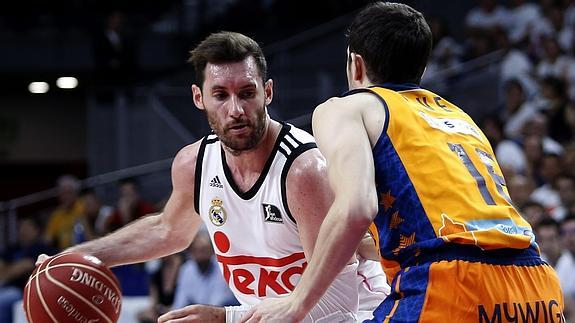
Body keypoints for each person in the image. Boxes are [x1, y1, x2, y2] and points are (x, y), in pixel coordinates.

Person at [242, 2, 565, 322]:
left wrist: (297, 301)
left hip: (454, 284)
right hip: (536, 285)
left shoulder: (348, 107)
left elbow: (356, 208)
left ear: (355, 64)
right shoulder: (457, 116)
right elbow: (445, 225)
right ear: (421, 69)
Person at [37, 31, 387, 322]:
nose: (235, 110)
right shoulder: (194, 163)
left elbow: (338, 308)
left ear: (267, 92)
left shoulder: (304, 171)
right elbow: (167, 230)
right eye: (220, 95)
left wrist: (226, 318)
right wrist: (77, 257)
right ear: (198, 97)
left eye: (247, 93)